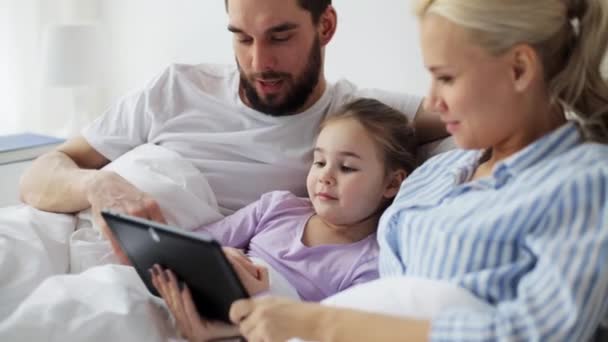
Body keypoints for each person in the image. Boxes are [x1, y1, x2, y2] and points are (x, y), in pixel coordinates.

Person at [153, 0, 608, 341]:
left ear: (520, 68)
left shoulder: (583, 181)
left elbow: (538, 333)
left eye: (446, 77)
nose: (431, 102)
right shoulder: (439, 172)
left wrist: (318, 323)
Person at [18, 0, 443, 256]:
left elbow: (473, 107)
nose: (259, 62)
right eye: (242, 37)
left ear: (325, 26)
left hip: (157, 269)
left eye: (280, 37)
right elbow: (39, 175)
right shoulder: (177, 86)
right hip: (55, 233)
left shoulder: (355, 121)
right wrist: (96, 187)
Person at [153, 98, 416, 311]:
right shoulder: (277, 207)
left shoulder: (368, 265)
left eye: (346, 167)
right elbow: (200, 242)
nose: (325, 176)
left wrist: (263, 296)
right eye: (319, 162)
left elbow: (327, 333)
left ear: (391, 184)